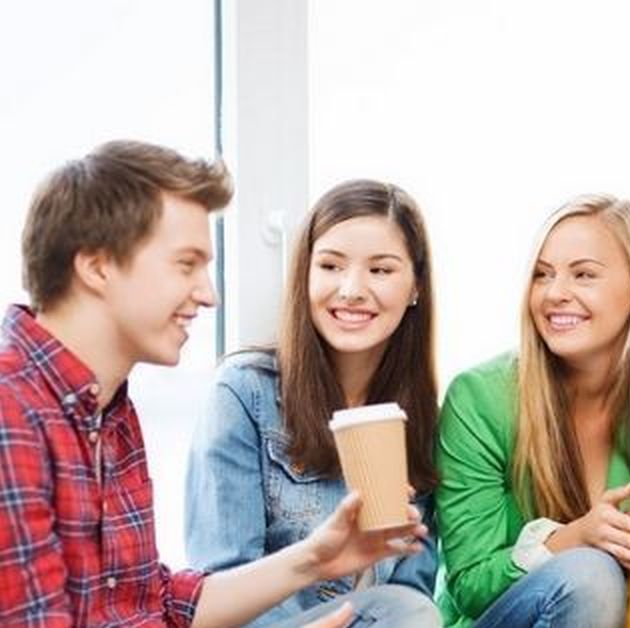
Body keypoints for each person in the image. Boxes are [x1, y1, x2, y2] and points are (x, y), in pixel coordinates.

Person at [0, 141, 426, 627]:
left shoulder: (107, 415)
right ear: (96, 266)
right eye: (186, 265)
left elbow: (153, 601)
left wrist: (313, 559)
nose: (208, 294)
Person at [436, 194, 630, 628]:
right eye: (542, 275)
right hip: (495, 618)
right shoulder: (479, 398)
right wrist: (571, 539)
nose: (554, 294)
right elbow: (469, 586)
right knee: (589, 575)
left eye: (583, 274)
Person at [184, 179, 441, 627]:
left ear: (416, 285)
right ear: (305, 274)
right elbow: (219, 586)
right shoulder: (245, 394)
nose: (351, 290)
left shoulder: (420, 419)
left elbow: (411, 590)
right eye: (330, 266)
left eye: (380, 270)